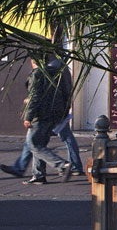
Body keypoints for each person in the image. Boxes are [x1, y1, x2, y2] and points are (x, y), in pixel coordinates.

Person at [19, 54, 74, 184]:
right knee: (41, 144)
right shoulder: (55, 73)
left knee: (34, 145)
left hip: (40, 115)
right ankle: (39, 175)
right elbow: (65, 92)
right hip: (54, 114)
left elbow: (34, 97)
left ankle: (62, 165)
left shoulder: (37, 74)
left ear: (34, 61)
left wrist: (28, 117)